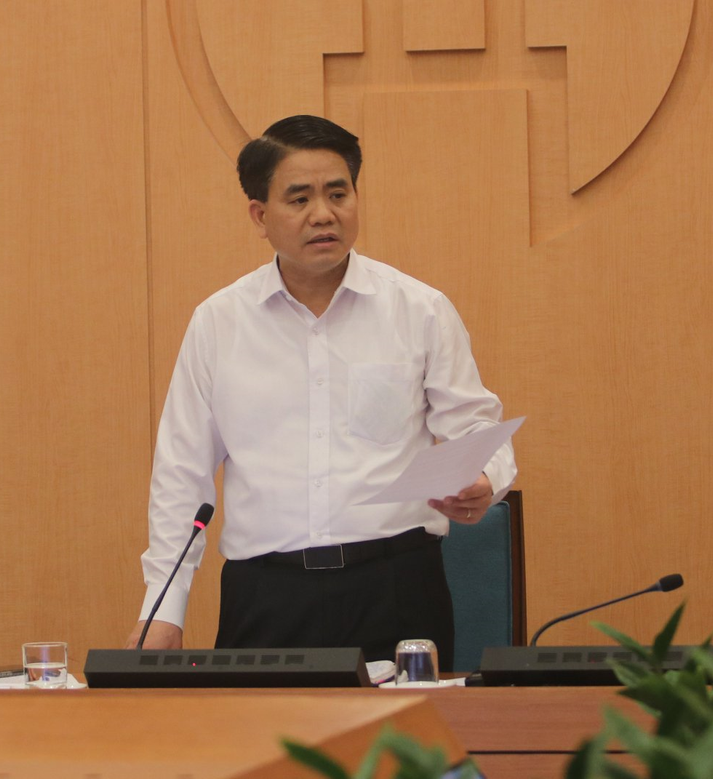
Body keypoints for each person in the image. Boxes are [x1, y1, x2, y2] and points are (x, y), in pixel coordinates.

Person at [125, 115, 516, 668]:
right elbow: (181, 474)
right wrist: (163, 610)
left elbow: (477, 428)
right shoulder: (219, 322)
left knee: (405, 730)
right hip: (266, 595)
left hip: (397, 588)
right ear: (260, 215)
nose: (323, 214)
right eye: (299, 198)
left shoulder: (419, 309)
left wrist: (485, 478)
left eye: (338, 193)